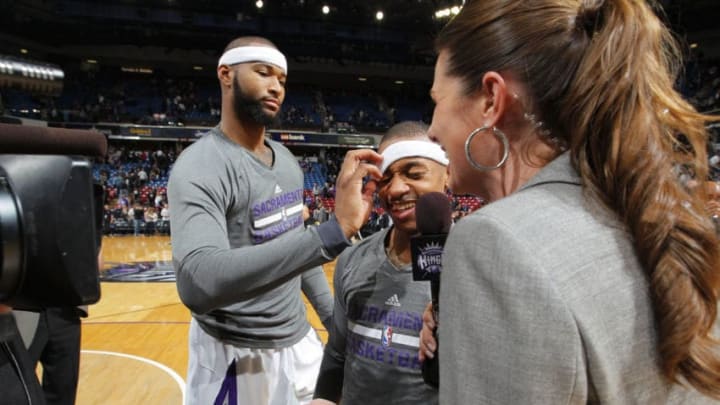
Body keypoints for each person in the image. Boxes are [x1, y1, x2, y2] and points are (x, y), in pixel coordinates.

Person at [418, 0, 720, 403]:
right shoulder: (656, 214)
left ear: (492, 98)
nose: (432, 129)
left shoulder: (495, 243)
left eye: (437, 100)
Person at [168, 36, 381, 405]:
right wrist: (330, 233)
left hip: (298, 342)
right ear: (226, 74)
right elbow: (197, 281)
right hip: (234, 352)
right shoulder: (200, 165)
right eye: (263, 73)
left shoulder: (286, 160)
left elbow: (301, 261)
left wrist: (336, 330)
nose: (276, 87)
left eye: (281, 79)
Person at [310, 121, 446, 405]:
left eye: (414, 173)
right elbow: (337, 352)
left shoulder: (472, 266)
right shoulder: (352, 259)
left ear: (447, 175)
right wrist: (323, 398)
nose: (395, 189)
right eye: (385, 178)